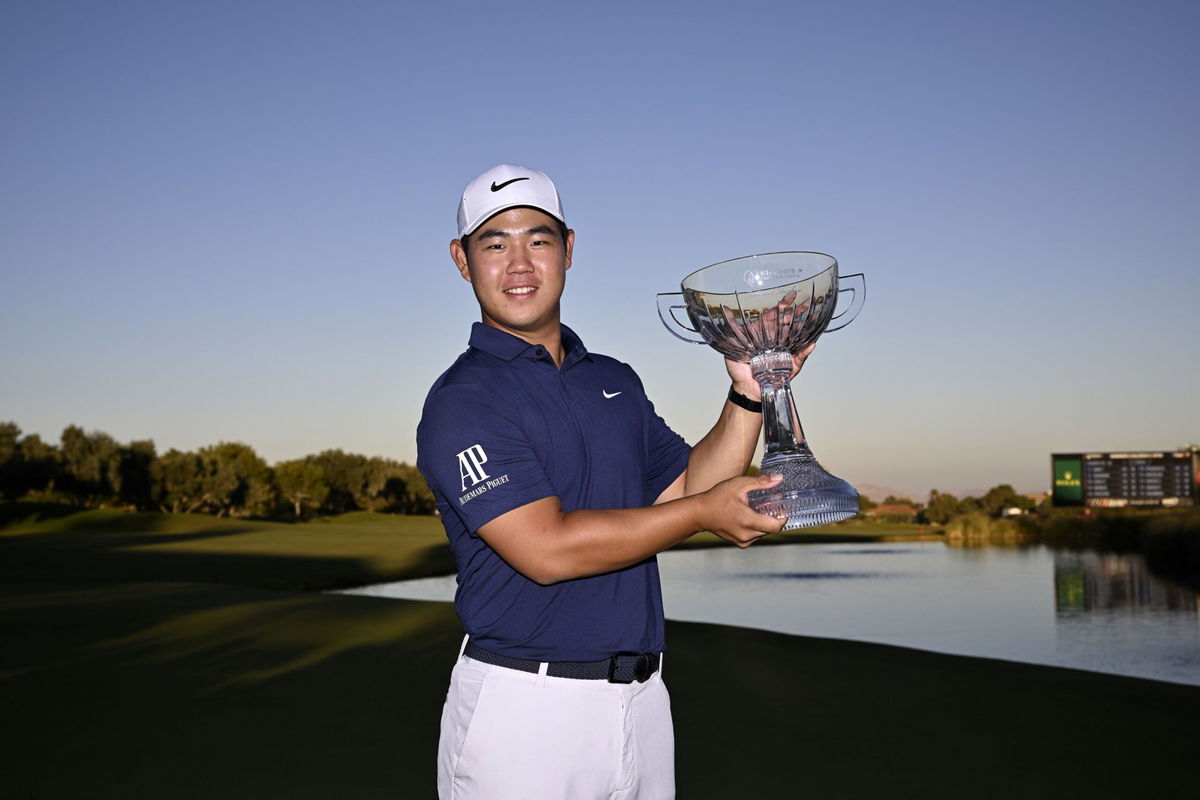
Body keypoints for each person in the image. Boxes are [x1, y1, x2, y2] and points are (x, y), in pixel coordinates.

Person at [416, 164, 811, 799]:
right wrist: (705, 512)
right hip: (526, 711)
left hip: (644, 703)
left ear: (569, 250)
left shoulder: (615, 381)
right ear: (463, 261)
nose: (519, 263)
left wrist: (747, 392)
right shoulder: (465, 399)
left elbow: (683, 489)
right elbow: (546, 549)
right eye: (495, 243)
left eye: (538, 240)